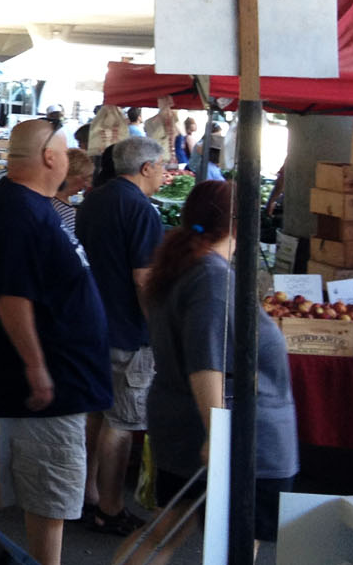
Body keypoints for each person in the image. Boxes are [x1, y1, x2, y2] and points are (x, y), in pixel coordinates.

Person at [0, 118, 111, 565]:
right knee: (52, 494)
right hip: (50, 382)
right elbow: (11, 295)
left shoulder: (28, 204)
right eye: (64, 151)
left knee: (14, 475)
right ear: (49, 157)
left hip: (58, 376)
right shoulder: (16, 209)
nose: (68, 160)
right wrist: (36, 366)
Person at [121, 180, 297, 565]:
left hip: (198, 427)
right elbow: (206, 361)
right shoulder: (212, 277)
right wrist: (218, 436)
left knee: (162, 532)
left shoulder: (188, 268)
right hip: (236, 438)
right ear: (240, 221)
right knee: (231, 547)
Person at [74, 134, 166, 535]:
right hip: (128, 330)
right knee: (122, 422)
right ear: (145, 168)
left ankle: (86, 493)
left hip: (93, 322)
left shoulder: (95, 198)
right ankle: (110, 508)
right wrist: (159, 329)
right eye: (162, 167)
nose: (165, 174)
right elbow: (145, 280)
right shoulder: (141, 210)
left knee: (97, 413)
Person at [54, 148, 93, 236]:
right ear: (68, 175)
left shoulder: (72, 198)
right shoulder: (57, 208)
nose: (87, 185)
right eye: (84, 178)